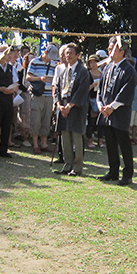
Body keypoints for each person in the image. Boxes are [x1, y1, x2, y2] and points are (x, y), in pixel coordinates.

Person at [95, 37, 137, 186]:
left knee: (124, 143)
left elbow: (126, 92)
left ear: (122, 52)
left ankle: (127, 174)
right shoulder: (108, 68)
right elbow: (100, 89)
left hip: (120, 112)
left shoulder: (129, 70)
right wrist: (100, 104)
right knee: (110, 143)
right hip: (106, 112)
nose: (109, 51)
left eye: (112, 48)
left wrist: (112, 107)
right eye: (109, 48)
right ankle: (113, 171)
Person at [53, 43, 92, 176]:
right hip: (63, 106)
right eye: (66, 53)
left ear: (78, 55)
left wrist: (70, 106)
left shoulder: (82, 71)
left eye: (70, 53)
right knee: (65, 137)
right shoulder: (63, 70)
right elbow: (57, 88)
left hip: (76, 108)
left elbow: (82, 91)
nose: (67, 55)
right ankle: (67, 163)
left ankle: (77, 166)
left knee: (76, 137)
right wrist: (59, 104)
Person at [26, 45, 58, 154]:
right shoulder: (34, 61)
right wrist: (40, 79)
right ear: (45, 52)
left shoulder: (53, 64)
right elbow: (28, 77)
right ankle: (35, 144)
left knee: (46, 119)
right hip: (37, 94)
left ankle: (44, 143)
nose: (51, 58)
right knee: (36, 118)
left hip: (49, 95)